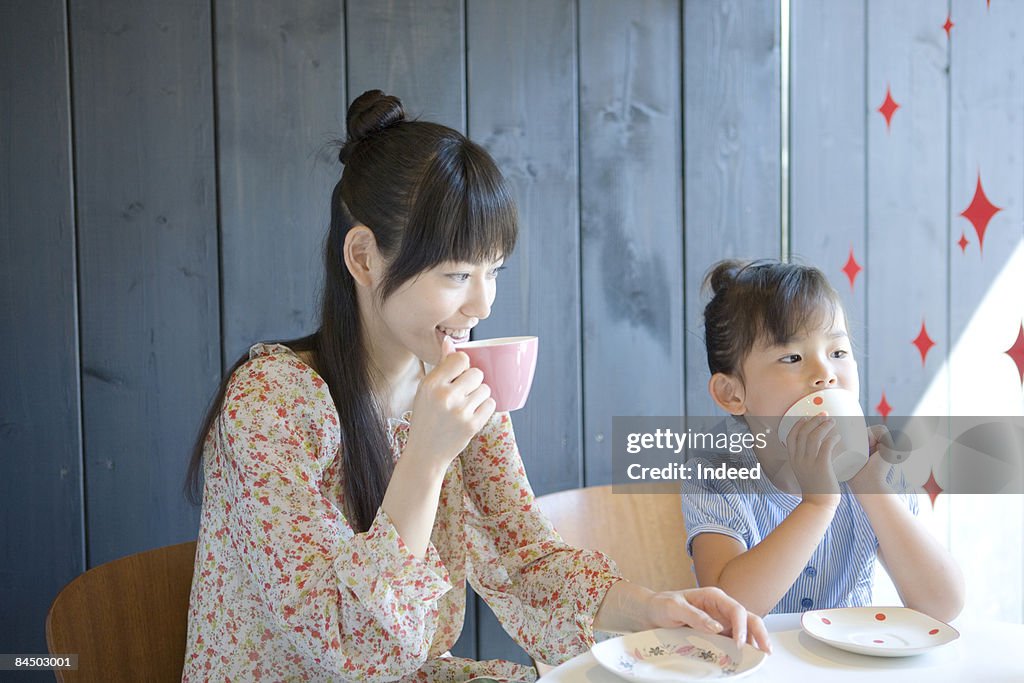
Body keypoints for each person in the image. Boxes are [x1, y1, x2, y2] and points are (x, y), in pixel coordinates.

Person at [182, 90, 769, 682]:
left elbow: (525, 559)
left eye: (492, 271)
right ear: (363, 257)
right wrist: (427, 457)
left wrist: (655, 609)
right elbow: (350, 651)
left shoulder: (459, 385)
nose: (482, 303)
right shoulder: (271, 403)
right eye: (456, 274)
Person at [681, 259, 964, 619]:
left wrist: (872, 490)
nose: (825, 374)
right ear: (732, 393)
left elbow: (942, 605)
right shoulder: (716, 475)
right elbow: (726, 610)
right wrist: (818, 504)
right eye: (792, 357)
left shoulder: (874, 470)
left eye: (838, 353)